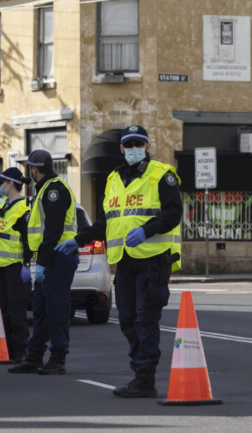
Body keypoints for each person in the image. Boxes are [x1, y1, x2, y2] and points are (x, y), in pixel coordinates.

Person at [55, 125, 182, 398]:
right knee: (127, 319)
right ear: (122, 148)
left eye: (139, 144)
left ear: (147, 147)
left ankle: (145, 378)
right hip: (123, 262)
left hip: (152, 259)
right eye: (129, 144)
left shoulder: (162, 175)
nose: (134, 148)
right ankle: (140, 371)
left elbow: (174, 213)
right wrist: (77, 240)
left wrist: (147, 230)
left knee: (145, 320)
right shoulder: (113, 179)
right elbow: (106, 221)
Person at [8, 150, 79, 375]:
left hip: (57, 257)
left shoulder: (54, 191)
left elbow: (53, 231)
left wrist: (42, 263)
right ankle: (35, 356)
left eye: (29, 167)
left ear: (34, 169)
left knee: (57, 309)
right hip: (48, 258)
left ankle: (58, 358)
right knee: (41, 310)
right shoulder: (43, 190)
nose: (29, 171)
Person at [0, 167, 32, 363]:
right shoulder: (1, 206)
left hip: (15, 267)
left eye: (2, 183)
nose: (0, 186)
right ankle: (8, 348)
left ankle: (20, 350)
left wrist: (27, 264)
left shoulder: (24, 209)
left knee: (16, 311)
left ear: (10, 184)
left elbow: (29, 240)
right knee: (3, 311)